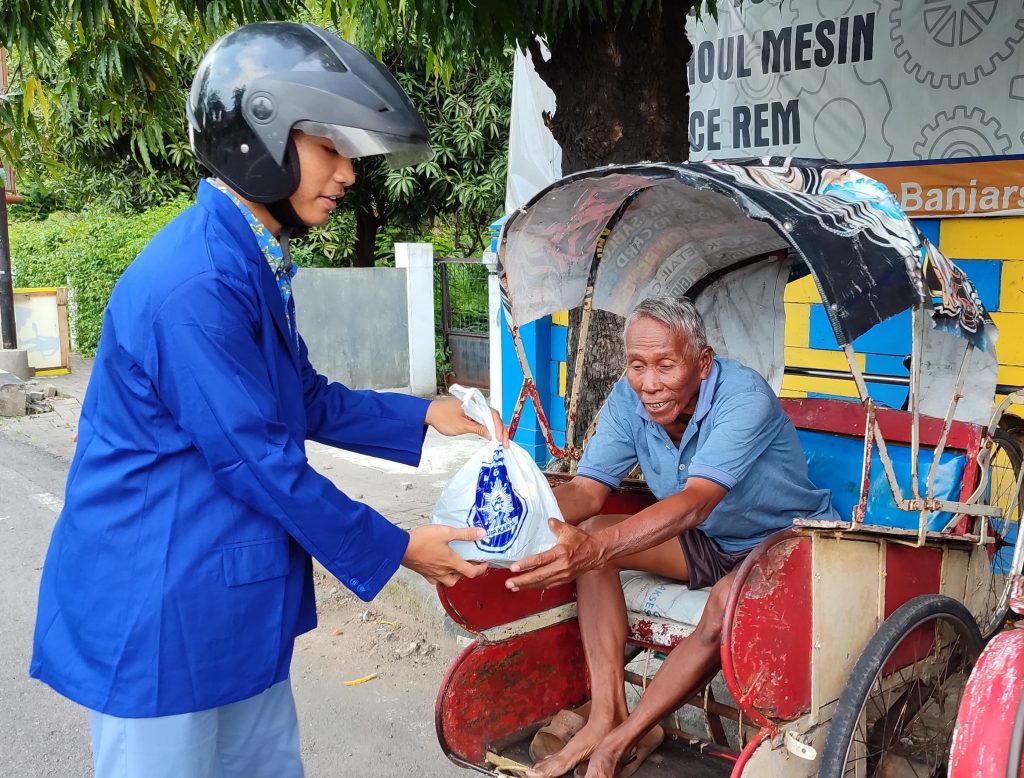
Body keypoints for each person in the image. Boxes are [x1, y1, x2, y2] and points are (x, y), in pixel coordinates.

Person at [29, 22, 505, 778]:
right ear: (260, 138)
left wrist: (423, 413)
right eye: (330, 150)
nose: (347, 174)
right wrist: (399, 548)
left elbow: (300, 400)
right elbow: (258, 460)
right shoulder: (196, 283)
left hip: (224, 604)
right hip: (159, 607)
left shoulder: (248, 258)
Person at [507, 296, 837, 778]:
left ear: (702, 363)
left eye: (666, 364)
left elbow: (697, 501)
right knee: (594, 536)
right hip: (711, 540)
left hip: (786, 541)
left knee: (720, 600)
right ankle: (604, 715)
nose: (650, 383)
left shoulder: (743, 396)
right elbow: (586, 491)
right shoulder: (628, 398)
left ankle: (627, 735)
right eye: (637, 365)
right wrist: (513, 521)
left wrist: (594, 547)